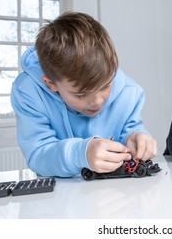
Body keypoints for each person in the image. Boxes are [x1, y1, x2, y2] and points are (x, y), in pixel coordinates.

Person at [11, 11, 157, 177]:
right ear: (51, 84)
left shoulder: (129, 92)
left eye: (106, 86)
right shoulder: (28, 92)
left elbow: (130, 129)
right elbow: (38, 154)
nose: (97, 102)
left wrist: (135, 137)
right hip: (59, 199)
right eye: (80, 94)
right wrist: (81, 154)